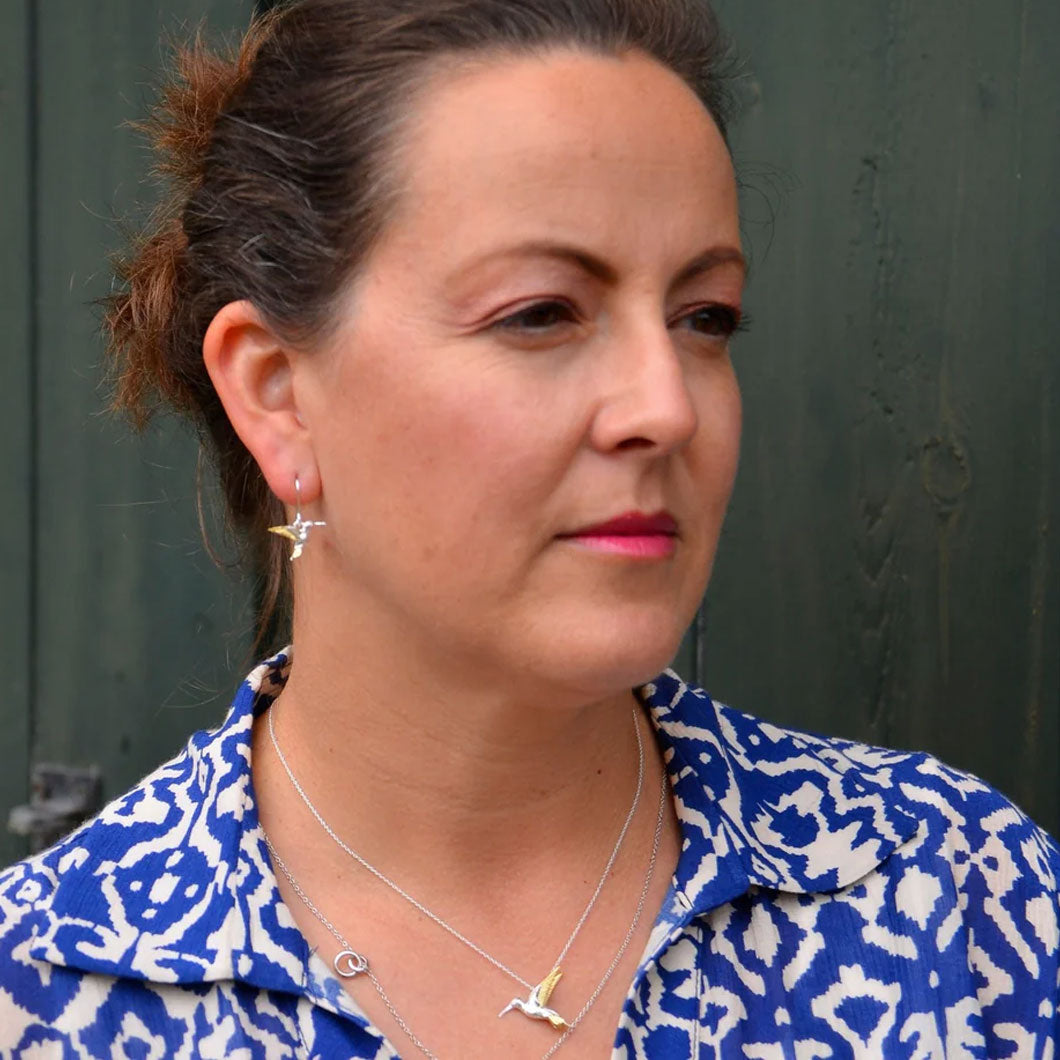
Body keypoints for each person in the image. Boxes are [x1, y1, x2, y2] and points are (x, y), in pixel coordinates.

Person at [1, 0, 1057, 1056]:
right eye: (541, 311)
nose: (666, 407)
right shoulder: (46, 984)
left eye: (704, 317)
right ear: (279, 394)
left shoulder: (949, 898)